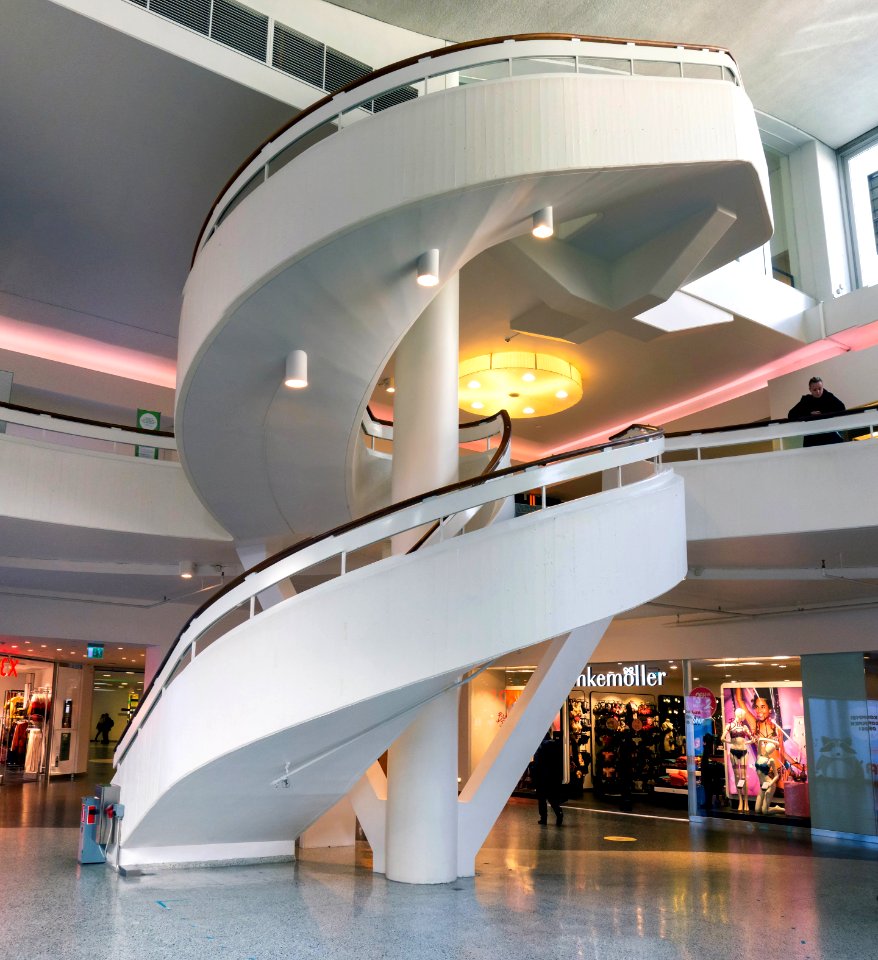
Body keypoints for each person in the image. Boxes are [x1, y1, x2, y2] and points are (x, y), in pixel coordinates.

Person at [787, 376, 845, 446]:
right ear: (810, 390)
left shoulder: (829, 396)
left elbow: (842, 407)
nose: (818, 392)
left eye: (820, 389)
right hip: (812, 436)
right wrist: (808, 414)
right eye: (814, 390)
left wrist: (823, 413)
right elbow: (791, 414)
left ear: (823, 387)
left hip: (828, 433)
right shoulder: (806, 400)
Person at [530, 731, 565, 826]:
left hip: (541, 776)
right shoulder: (555, 745)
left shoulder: (540, 747)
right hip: (552, 776)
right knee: (552, 797)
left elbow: (537, 763)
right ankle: (559, 813)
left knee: (541, 798)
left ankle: (543, 818)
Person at [722, 707, 753, 812]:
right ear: (739, 715)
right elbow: (722, 738)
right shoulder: (729, 726)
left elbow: (752, 739)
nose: (743, 718)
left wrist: (746, 742)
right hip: (734, 752)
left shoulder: (744, 727)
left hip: (743, 752)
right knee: (737, 776)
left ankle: (746, 801)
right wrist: (731, 743)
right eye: (743, 716)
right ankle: (740, 800)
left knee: (744, 777)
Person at [754, 740, 781, 814]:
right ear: (765, 747)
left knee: (765, 811)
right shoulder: (759, 755)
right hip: (762, 785)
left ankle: (782, 810)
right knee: (757, 810)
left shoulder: (771, 760)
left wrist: (771, 783)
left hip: (769, 785)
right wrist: (774, 742)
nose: (769, 750)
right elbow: (760, 740)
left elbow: (776, 775)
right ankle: (776, 808)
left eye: (771, 749)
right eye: (768, 748)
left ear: (772, 751)